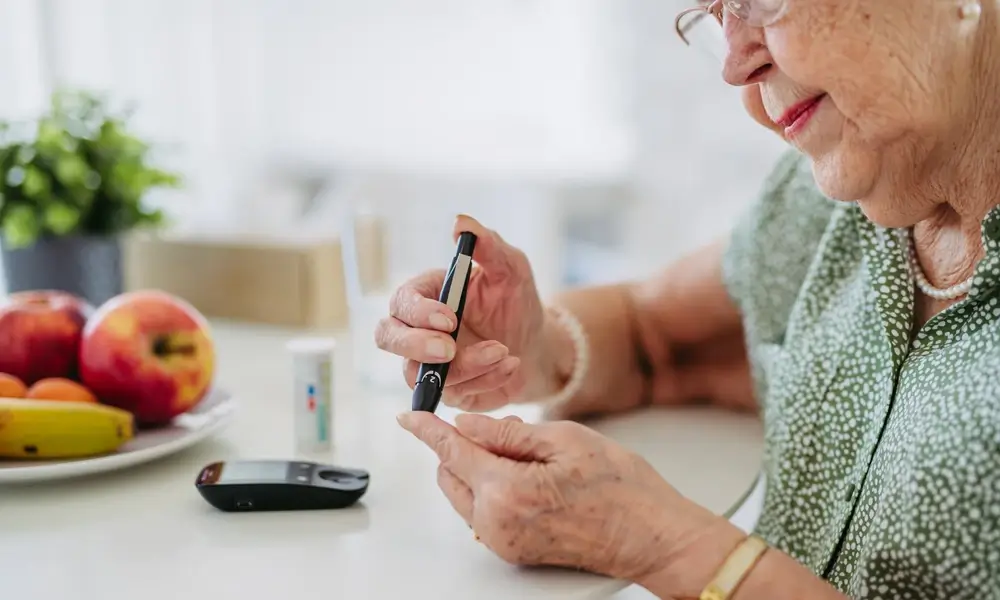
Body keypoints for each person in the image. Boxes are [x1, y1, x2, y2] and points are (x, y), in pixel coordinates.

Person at [376, 0, 1000, 597]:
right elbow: (658, 340)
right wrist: (530, 344)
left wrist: (655, 541)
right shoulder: (832, 199)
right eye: (715, 13)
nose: (734, 66)